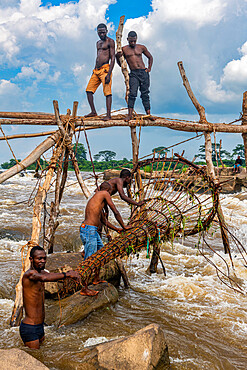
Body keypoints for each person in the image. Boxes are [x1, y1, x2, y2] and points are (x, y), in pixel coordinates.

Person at [20, 245, 80, 349]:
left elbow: (50, 276)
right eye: (39, 258)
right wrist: (68, 274)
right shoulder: (29, 275)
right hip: (30, 327)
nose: (42, 261)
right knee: (34, 360)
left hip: (40, 326)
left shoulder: (42, 272)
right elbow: (44, 278)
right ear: (31, 259)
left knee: (42, 357)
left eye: (44, 258)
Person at [80, 181, 127, 296]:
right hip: (88, 230)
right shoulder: (104, 193)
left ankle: (96, 278)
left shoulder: (96, 201)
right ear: (109, 191)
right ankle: (84, 288)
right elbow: (115, 211)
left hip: (92, 231)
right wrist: (124, 226)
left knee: (101, 253)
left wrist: (117, 229)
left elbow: (103, 220)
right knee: (89, 259)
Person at [116, 30, 154, 121]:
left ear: (136, 39)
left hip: (143, 72)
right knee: (132, 93)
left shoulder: (141, 47)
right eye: (131, 41)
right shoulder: (124, 49)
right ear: (127, 39)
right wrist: (118, 56)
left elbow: (150, 57)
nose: (132, 43)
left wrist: (149, 68)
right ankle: (129, 115)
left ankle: (148, 114)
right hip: (133, 73)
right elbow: (120, 63)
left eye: (134, 41)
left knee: (145, 93)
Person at [85, 23, 115, 121]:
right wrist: (93, 71)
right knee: (89, 91)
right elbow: (97, 57)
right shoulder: (98, 43)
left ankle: (108, 115)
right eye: (99, 32)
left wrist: (109, 74)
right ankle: (93, 112)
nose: (101, 34)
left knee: (107, 92)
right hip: (96, 70)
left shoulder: (110, 41)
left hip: (105, 69)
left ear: (106, 31)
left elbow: (113, 58)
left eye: (103, 32)